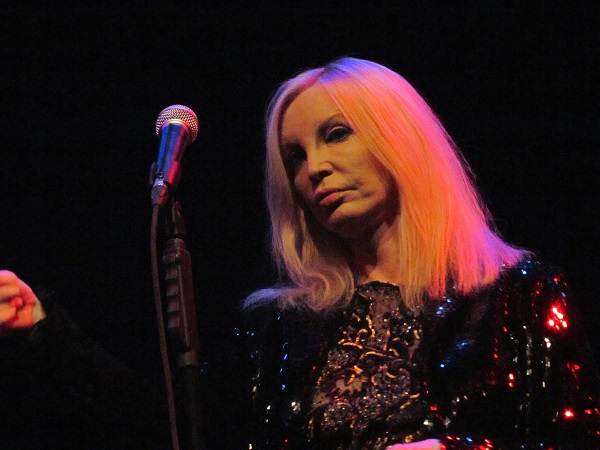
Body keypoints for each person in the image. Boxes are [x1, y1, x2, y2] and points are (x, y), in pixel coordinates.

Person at [1, 57, 599, 449]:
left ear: (401, 139)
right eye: (295, 157)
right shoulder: (281, 329)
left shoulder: (518, 294)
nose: (315, 168)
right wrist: (39, 327)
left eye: (336, 135)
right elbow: (171, 424)